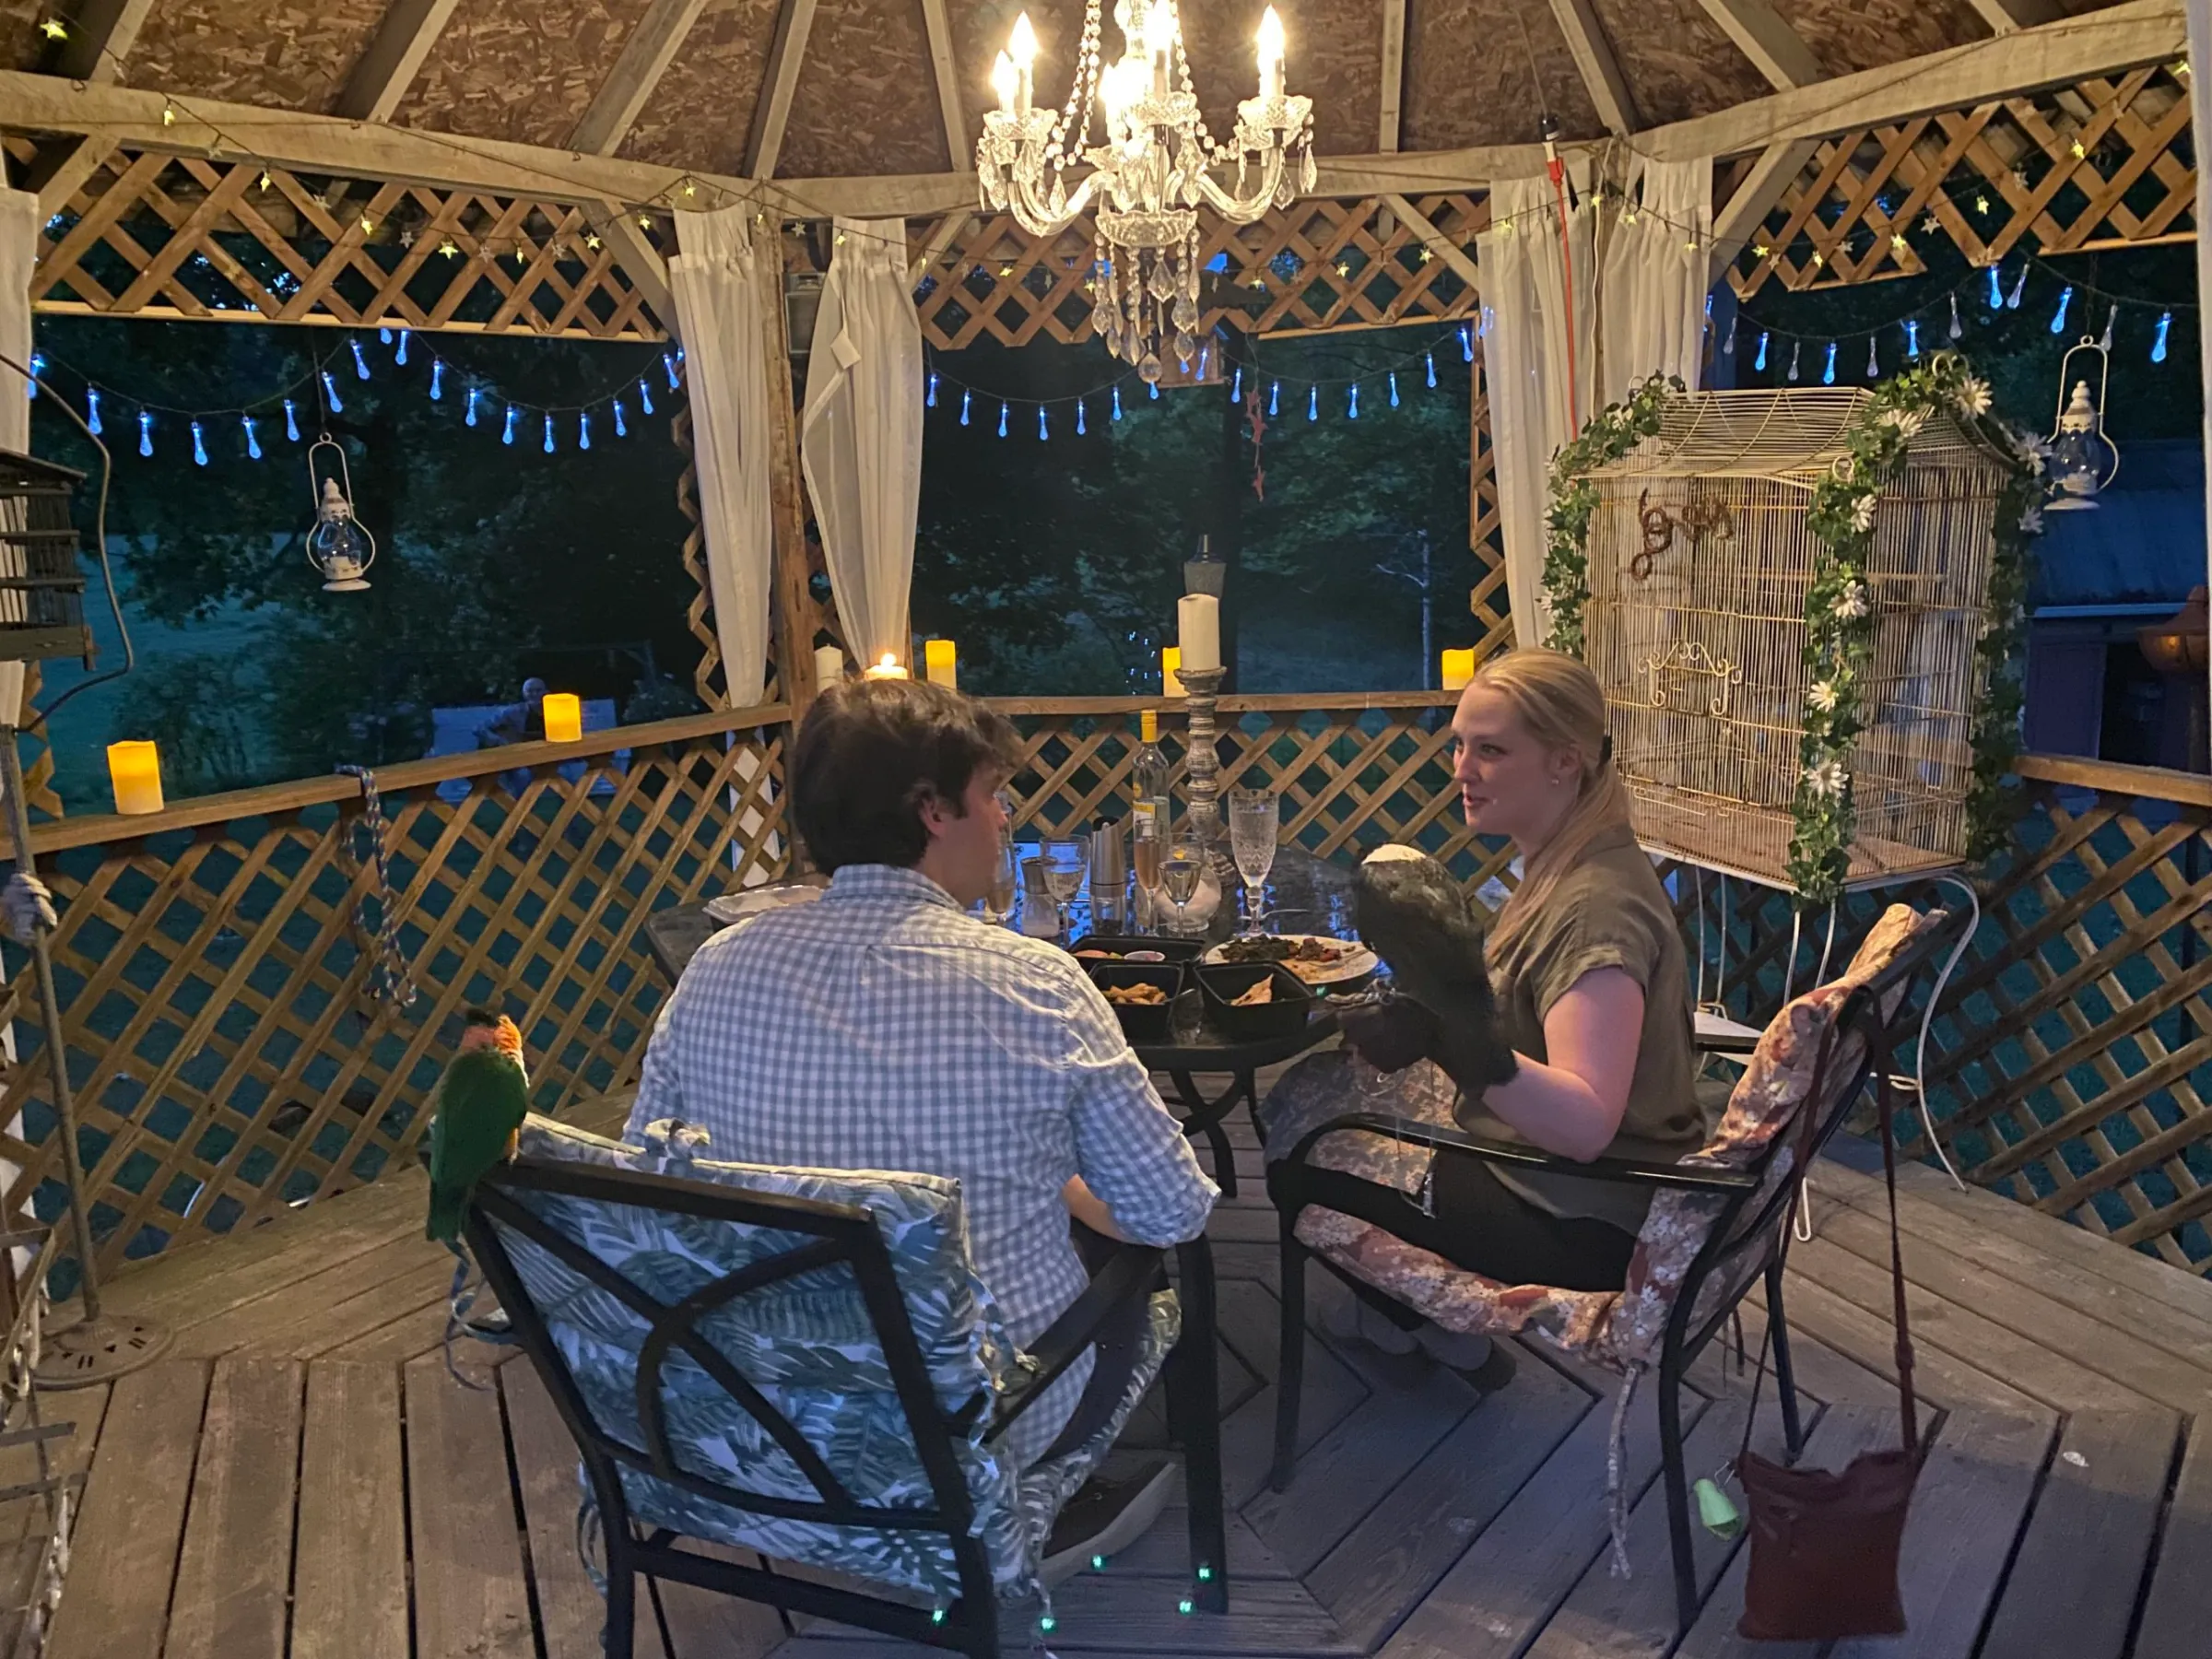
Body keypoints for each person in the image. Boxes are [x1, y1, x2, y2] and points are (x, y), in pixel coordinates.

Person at [627, 677, 1218, 1574]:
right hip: (975, 1432)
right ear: (933, 810)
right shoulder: (1036, 985)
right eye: (992, 794)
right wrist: (1068, 1192)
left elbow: (648, 1177)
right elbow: (1171, 1212)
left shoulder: (713, 969)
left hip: (761, 1414)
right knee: (1135, 1269)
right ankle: (1027, 1515)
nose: (1005, 819)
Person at [1274, 647, 1700, 1364]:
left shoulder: (1594, 909)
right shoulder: (1576, 858)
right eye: (1459, 746)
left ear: (1565, 761)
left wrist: (1444, 1039)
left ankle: (1419, 1330)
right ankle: (1419, 1324)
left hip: (1582, 1213)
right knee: (1311, 1088)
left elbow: (1586, 1124)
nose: (1462, 770)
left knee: (1296, 1161)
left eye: (1491, 751)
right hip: (1565, 1175)